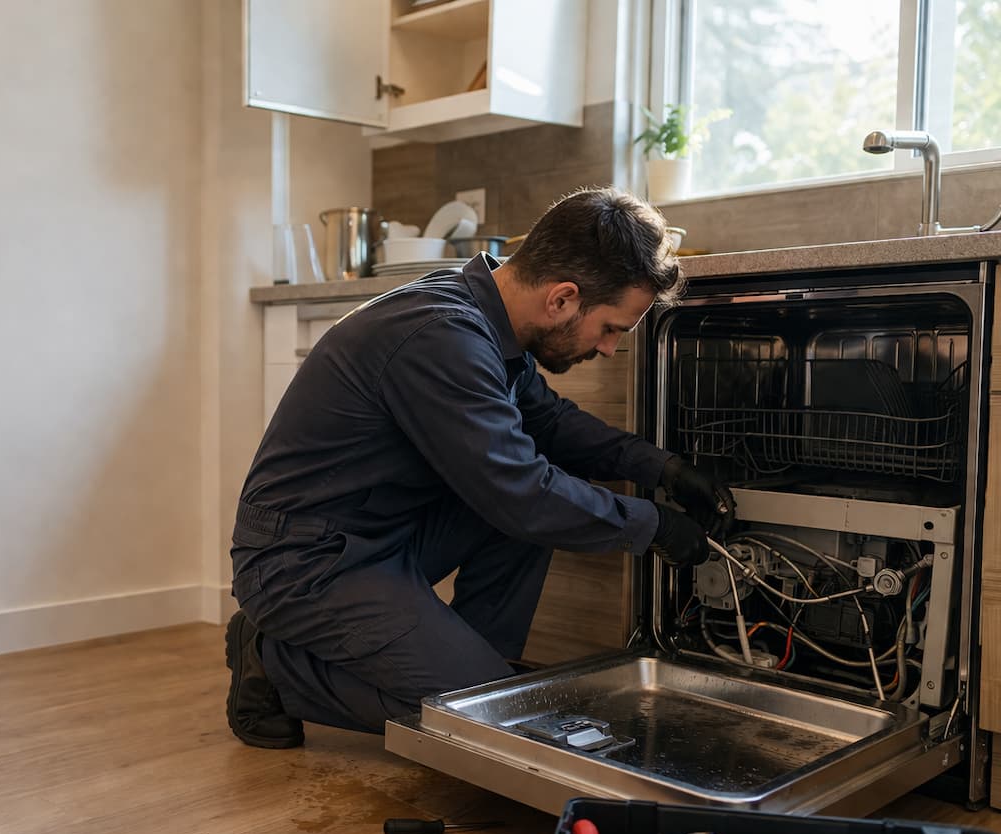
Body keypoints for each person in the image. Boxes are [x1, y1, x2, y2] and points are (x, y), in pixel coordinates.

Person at [225, 186, 735, 749]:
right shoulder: (442, 335)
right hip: (304, 560)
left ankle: (475, 671)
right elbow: (522, 493)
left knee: (495, 672)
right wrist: (654, 526)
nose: (610, 348)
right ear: (562, 299)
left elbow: (551, 423)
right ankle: (272, 663)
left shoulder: (487, 317)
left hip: (381, 535)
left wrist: (662, 467)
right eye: (611, 328)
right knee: (481, 717)